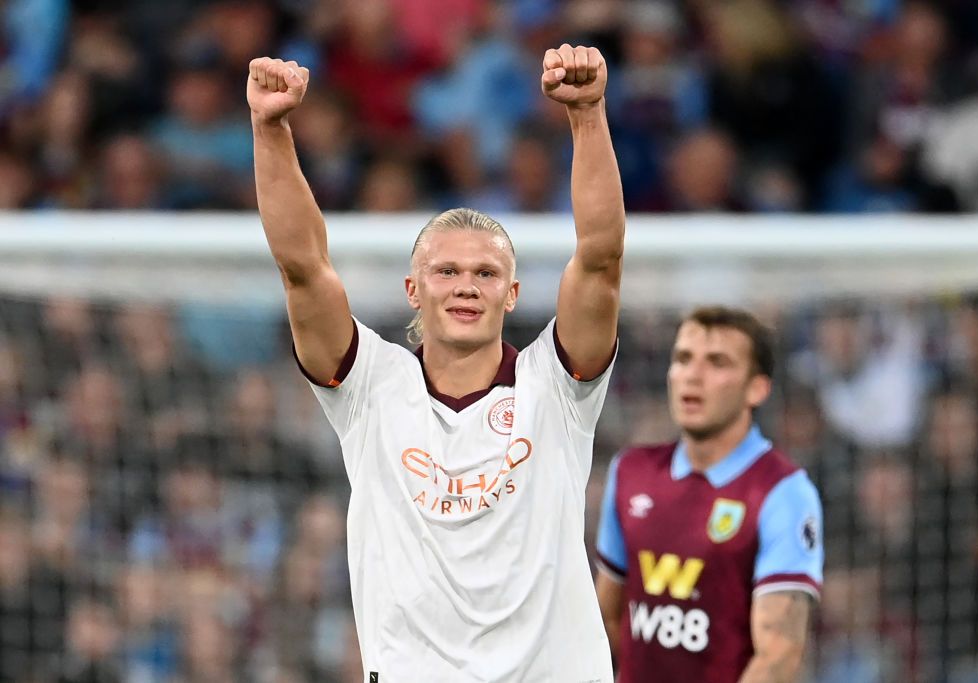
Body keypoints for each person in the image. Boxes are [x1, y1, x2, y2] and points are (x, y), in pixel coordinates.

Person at [247, 43, 624, 682]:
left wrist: (587, 116)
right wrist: (271, 129)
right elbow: (303, 268)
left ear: (512, 292)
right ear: (413, 290)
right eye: (445, 270)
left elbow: (599, 257)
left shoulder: (555, 387)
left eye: (486, 272)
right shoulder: (371, 387)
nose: (466, 285)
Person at [595, 306, 824, 682]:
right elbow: (607, 619)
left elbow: (779, 654)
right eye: (683, 359)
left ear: (757, 388)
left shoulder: (782, 490)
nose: (693, 376)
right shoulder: (631, 472)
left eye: (717, 362)